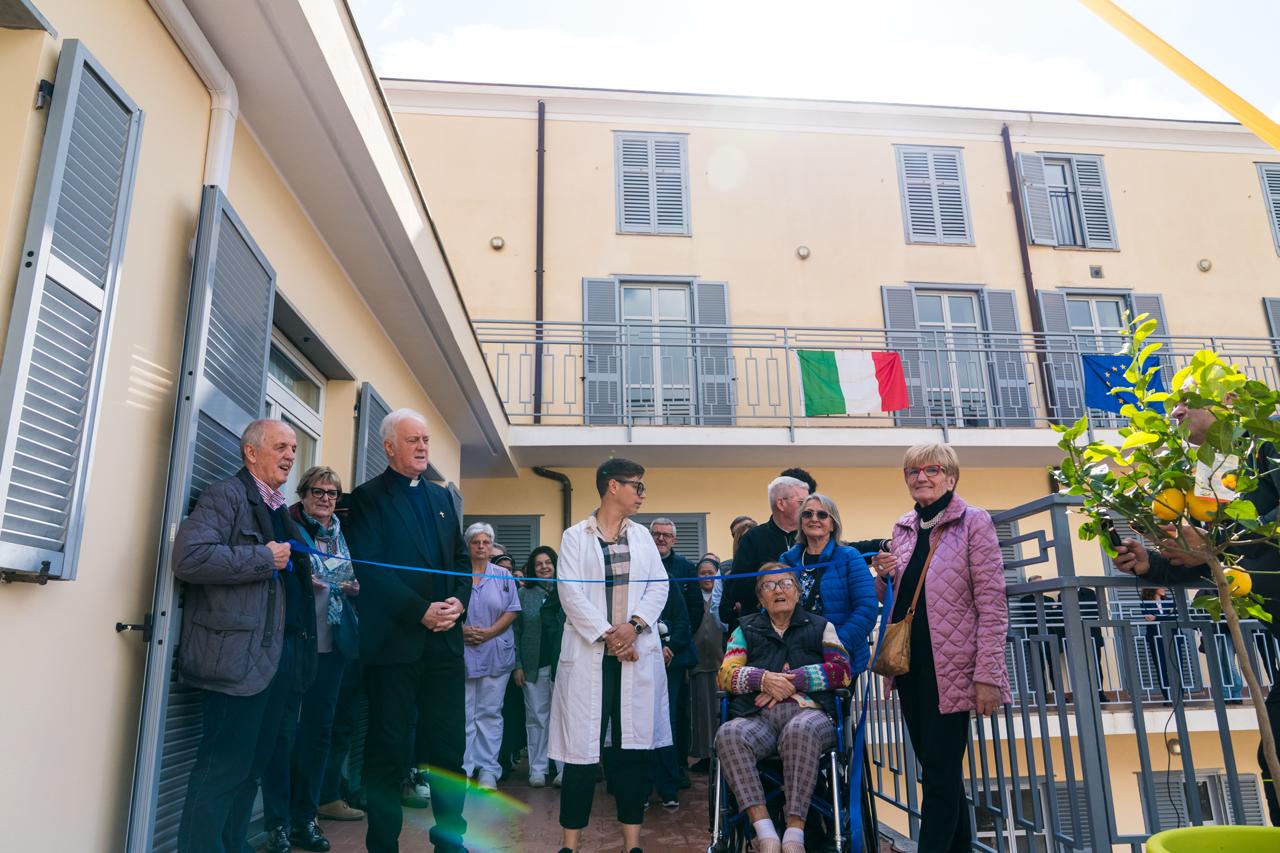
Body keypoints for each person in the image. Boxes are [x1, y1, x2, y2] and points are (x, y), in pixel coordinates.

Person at [1114, 392, 1280, 821]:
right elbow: (1218, 559)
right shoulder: (1213, 468)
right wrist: (1153, 566)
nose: (1176, 411)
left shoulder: (1268, 439)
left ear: (1228, 399)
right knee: (1273, 757)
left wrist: (1214, 543)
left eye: (1187, 400)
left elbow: (1227, 544)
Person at [173, 419, 318, 853]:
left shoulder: (279, 508)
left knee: (252, 769)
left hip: (278, 659)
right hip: (238, 661)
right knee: (222, 771)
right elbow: (189, 557)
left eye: (294, 448)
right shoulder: (226, 495)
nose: (290, 456)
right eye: (281, 447)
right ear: (251, 453)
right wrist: (262, 558)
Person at [344, 408, 470, 853]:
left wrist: (459, 601)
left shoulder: (441, 498)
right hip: (394, 648)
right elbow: (368, 569)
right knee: (386, 752)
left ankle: (450, 841)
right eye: (413, 440)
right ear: (389, 447)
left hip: (444, 647)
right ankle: (383, 844)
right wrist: (420, 611)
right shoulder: (366, 499)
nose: (422, 447)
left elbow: (460, 561)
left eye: (425, 440)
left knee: (449, 751)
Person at [873, 442, 1010, 853]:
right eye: (913, 471)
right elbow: (894, 598)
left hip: (952, 667)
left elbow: (992, 602)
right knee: (938, 770)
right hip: (909, 665)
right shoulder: (903, 527)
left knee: (939, 771)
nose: (921, 477)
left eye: (931, 469)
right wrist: (883, 576)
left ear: (950, 477)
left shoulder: (974, 521)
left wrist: (988, 674)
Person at [550, 458, 670, 853]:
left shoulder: (643, 537)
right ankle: (570, 845)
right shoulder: (574, 536)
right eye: (638, 486)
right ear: (613, 486)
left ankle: (632, 844)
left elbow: (659, 586)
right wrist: (610, 636)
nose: (643, 494)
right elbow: (570, 593)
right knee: (581, 755)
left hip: (634, 654)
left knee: (631, 753)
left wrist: (633, 627)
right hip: (591, 655)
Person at [716, 565, 853, 853]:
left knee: (799, 730)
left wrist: (794, 681)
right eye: (769, 586)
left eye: (786, 583)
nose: (778, 590)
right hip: (759, 719)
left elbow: (842, 671)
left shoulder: (821, 626)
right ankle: (765, 831)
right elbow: (726, 675)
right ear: (760, 598)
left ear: (798, 592)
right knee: (729, 734)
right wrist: (762, 679)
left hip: (811, 715)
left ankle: (794, 833)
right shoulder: (744, 629)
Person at [262, 466, 361, 853]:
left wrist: (350, 586)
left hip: (332, 645)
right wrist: (303, 579)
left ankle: (306, 817)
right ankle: (278, 823)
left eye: (332, 493)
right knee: (283, 734)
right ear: (302, 494)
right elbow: (273, 573)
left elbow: (351, 579)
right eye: (318, 491)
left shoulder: (340, 534)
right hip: (294, 642)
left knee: (319, 734)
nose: (325, 499)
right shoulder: (287, 525)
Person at [778, 493, 878, 672]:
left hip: (840, 658)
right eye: (807, 514)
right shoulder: (787, 560)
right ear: (801, 522)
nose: (814, 519)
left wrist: (835, 645)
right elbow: (774, 606)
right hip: (795, 657)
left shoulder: (850, 557)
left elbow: (866, 609)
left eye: (822, 515)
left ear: (832, 524)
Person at [460, 522, 522, 790]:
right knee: (464, 713)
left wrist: (489, 632)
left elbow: (512, 610)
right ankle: (464, 769)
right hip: (463, 650)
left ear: (492, 545)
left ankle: (488, 770)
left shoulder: (503, 575)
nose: (481, 547)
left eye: (486, 542)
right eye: (476, 542)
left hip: (496, 650)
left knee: (490, 712)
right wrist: (462, 630)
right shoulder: (456, 573)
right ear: (468, 545)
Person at [649, 517, 704, 788]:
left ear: (674, 540)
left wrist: (673, 644)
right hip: (645, 652)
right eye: (656, 534)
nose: (661, 539)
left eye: (666, 535)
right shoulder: (642, 564)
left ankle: (677, 767)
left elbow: (694, 611)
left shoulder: (685, 567)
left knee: (676, 713)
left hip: (676, 655)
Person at [720, 476, 808, 628]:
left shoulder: (811, 536)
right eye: (802, 503)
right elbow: (739, 587)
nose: (808, 509)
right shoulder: (753, 538)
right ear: (781, 503)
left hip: (805, 624)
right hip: (763, 627)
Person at [513, 546, 566, 787]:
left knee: (563, 718)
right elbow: (516, 631)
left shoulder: (567, 590)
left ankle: (563, 769)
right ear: (532, 568)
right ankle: (537, 769)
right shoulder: (524, 594)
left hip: (562, 665)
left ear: (555, 564)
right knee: (536, 718)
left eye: (548, 562)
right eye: (538, 564)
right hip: (533, 666)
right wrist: (518, 665)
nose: (544, 567)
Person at [651, 557, 694, 809]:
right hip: (639, 659)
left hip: (671, 662)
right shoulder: (631, 581)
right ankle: (642, 786)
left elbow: (683, 622)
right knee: (640, 722)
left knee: (666, 721)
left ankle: (668, 786)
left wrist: (670, 648)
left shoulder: (669, 582)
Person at [689, 555, 728, 770]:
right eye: (702, 573)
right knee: (701, 714)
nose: (707, 577)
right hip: (697, 666)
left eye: (711, 573)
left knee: (718, 711)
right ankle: (704, 755)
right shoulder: (693, 598)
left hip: (720, 665)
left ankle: (721, 756)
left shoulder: (721, 598)